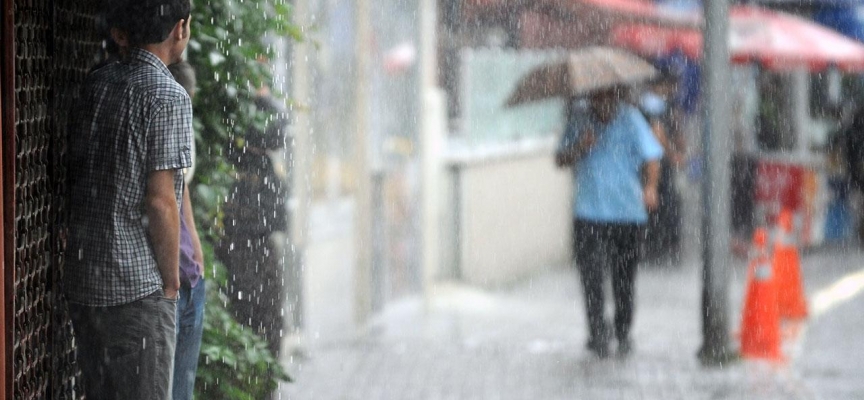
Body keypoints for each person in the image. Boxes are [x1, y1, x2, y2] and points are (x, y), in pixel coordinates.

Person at [64, 1, 192, 398]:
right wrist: (170, 285)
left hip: (85, 285)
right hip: (136, 292)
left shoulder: (97, 82)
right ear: (180, 29)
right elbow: (161, 202)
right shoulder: (168, 96)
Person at [555, 86, 663, 358]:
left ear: (616, 96)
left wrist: (650, 187)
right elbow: (560, 159)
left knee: (623, 278)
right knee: (590, 276)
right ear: (591, 97)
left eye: (607, 96)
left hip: (627, 213)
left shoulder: (631, 119)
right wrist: (581, 145)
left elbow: (652, 156)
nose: (602, 102)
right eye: (597, 96)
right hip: (588, 212)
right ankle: (597, 332)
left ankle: (623, 329)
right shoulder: (580, 121)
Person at [217, 84, 290, 358]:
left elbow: (280, 131)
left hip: (257, 236)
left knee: (268, 321)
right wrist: (260, 98)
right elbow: (275, 131)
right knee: (258, 318)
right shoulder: (234, 105)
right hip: (242, 237)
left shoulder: (259, 157)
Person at [168, 61, 206, 400]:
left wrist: (194, 242)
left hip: (188, 274)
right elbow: (158, 199)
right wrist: (169, 277)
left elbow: (182, 185)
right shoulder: (160, 109)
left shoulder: (180, 120)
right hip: (170, 280)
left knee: (181, 388)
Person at [639, 74, 684, 261]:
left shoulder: (648, 106)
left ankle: (655, 244)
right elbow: (658, 133)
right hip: (657, 164)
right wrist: (671, 153)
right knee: (661, 202)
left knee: (659, 203)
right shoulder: (654, 106)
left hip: (650, 164)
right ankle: (660, 245)